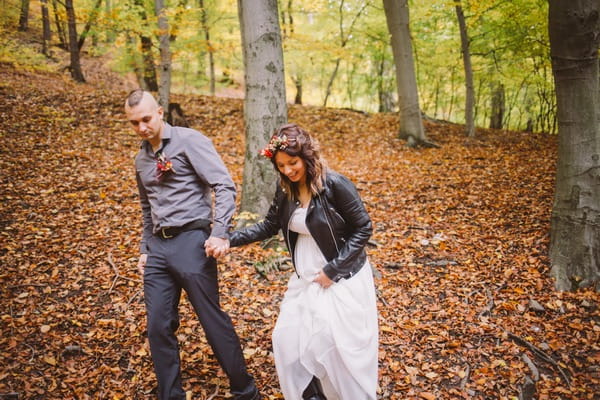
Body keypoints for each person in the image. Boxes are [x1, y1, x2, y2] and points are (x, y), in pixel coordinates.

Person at [125, 89, 260, 400]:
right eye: (134, 123)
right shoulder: (141, 159)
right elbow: (147, 209)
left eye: (146, 119)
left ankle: (246, 391)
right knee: (158, 325)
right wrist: (145, 248)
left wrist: (219, 232)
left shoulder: (190, 140)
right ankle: (170, 395)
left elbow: (223, 184)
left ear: (159, 112)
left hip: (192, 243)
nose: (142, 128)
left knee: (211, 319)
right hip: (158, 249)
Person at [228, 124, 379, 400]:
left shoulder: (335, 185)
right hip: (305, 278)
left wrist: (333, 270)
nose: (287, 170)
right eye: (281, 165)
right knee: (287, 339)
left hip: (341, 278)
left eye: (293, 163)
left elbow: (363, 228)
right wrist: (228, 241)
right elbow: (269, 225)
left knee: (335, 347)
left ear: (307, 157)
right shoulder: (286, 188)